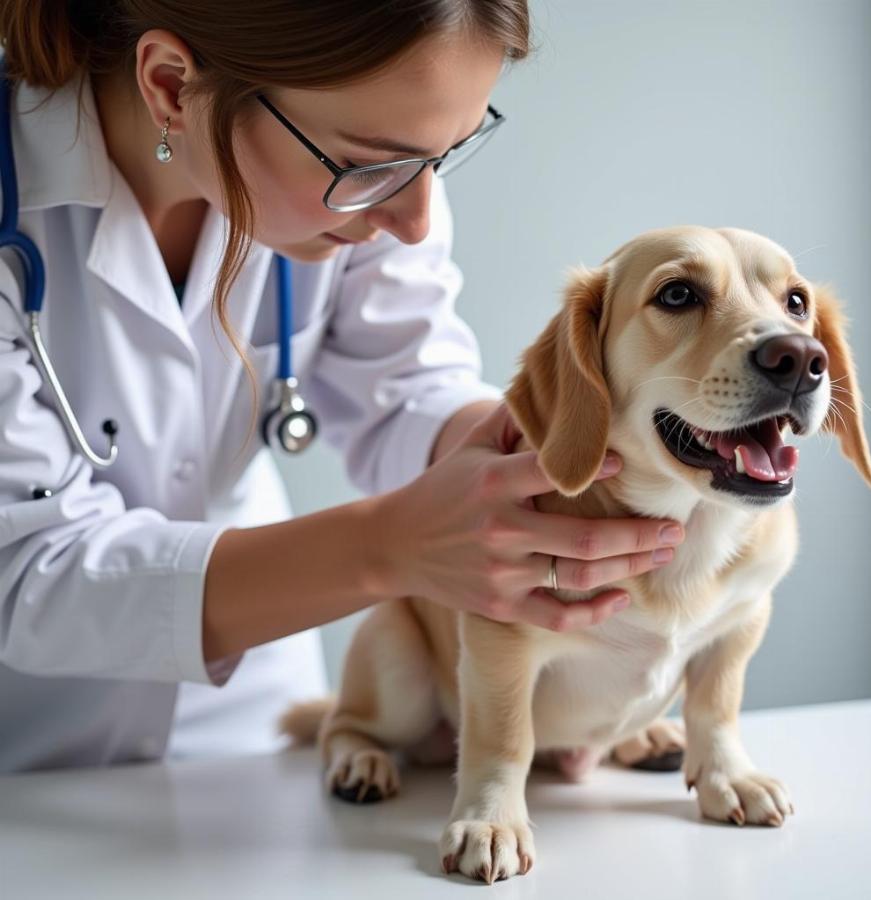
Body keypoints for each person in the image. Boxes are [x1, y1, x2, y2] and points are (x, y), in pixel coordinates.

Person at [0, 0, 685, 773]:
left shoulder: (363, 178)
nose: (416, 217)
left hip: (252, 724)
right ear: (170, 85)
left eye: (444, 155)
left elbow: (407, 384)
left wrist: (523, 469)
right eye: (370, 164)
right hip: (24, 756)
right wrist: (389, 548)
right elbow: (26, 571)